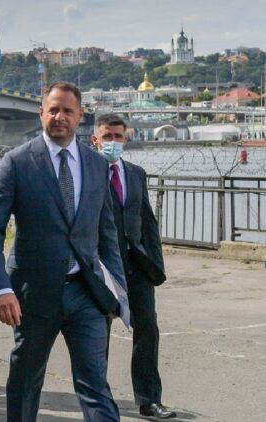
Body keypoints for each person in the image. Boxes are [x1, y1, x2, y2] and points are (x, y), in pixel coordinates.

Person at [0, 82, 128, 422]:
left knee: (95, 384)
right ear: (41, 113)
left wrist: (116, 290)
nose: (60, 117)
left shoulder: (96, 164)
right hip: (33, 295)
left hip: (86, 292)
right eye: (54, 110)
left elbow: (107, 233)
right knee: (26, 381)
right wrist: (0, 289)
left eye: (68, 111)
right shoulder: (17, 163)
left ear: (80, 116)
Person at [91, 114, 176, 420]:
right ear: (95, 140)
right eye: (107, 136)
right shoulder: (86, 173)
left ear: (125, 139)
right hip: (101, 267)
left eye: (118, 136)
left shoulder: (136, 174)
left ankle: (149, 399)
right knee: (98, 334)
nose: (113, 142)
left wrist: (154, 263)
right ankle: (98, 399)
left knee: (147, 329)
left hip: (137, 266)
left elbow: (147, 220)